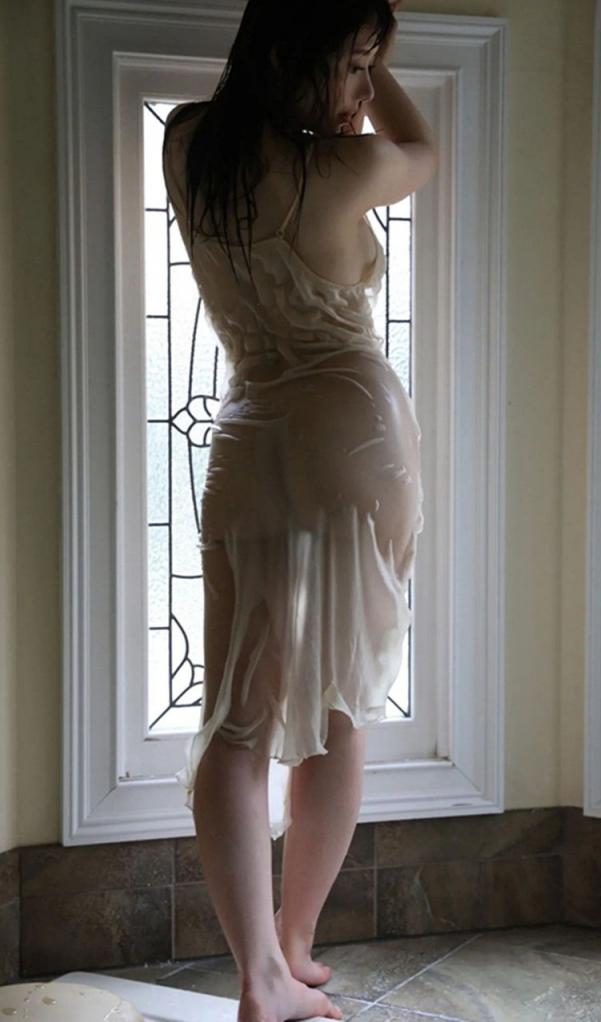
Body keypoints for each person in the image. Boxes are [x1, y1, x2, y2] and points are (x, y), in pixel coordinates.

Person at [161, 2, 437, 1020]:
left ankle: (261, 975)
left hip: (249, 439)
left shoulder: (187, 143)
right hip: (352, 438)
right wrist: (377, 86)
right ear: (291, 55)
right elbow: (421, 149)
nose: (361, 88)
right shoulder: (341, 169)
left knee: (234, 720)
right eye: (353, 64)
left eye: (371, 68)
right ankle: (294, 942)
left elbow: (282, 119)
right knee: (336, 709)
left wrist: (343, 67)